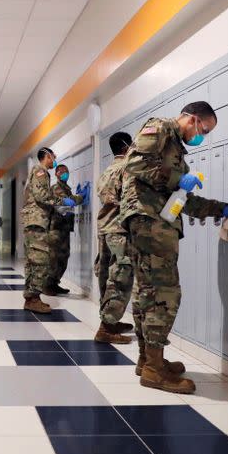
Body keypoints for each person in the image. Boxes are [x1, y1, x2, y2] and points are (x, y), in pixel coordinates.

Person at [120, 101, 228, 394]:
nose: (202, 137)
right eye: (203, 130)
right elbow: (133, 162)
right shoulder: (160, 129)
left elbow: (180, 199)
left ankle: (148, 360)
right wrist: (175, 178)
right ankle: (154, 370)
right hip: (149, 221)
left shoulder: (176, 151)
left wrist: (218, 208)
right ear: (193, 119)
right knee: (165, 293)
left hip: (154, 220)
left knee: (147, 292)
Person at [21, 148, 86, 313]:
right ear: (47, 156)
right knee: (40, 260)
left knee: (33, 261)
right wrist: (63, 200)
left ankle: (31, 297)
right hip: (36, 221)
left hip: (36, 221)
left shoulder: (40, 172)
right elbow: (41, 196)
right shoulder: (40, 171)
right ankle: (33, 298)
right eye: (53, 157)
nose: (55, 159)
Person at [93, 132, 136, 344]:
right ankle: (106, 328)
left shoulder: (107, 170)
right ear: (127, 146)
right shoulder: (127, 169)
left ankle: (110, 319)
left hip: (105, 228)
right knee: (121, 277)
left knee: (106, 277)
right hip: (119, 230)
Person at [44, 164, 78, 295]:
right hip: (56, 228)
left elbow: (69, 203)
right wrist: (78, 198)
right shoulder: (56, 188)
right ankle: (47, 285)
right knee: (54, 258)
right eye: (62, 171)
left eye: (67, 171)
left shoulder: (66, 188)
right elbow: (64, 205)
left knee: (64, 256)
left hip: (64, 228)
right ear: (56, 174)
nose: (65, 173)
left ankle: (54, 283)